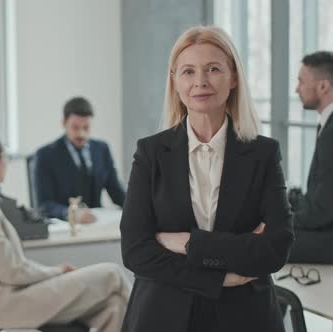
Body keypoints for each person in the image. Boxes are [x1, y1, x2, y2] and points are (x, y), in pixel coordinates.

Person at [119, 26, 294, 332]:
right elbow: (135, 251)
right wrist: (221, 276)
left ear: (234, 77)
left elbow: (275, 249)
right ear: (175, 81)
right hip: (163, 315)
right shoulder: (150, 153)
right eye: (188, 71)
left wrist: (189, 243)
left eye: (213, 69)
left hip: (245, 317)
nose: (200, 81)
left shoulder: (263, 154)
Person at [0, 130, 130, 331]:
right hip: (11, 304)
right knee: (112, 274)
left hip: (17, 296)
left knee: (114, 307)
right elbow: (12, 271)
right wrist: (57, 271)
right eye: (5, 157)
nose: (7, 163)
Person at [288, 51, 333, 264]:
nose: (297, 89)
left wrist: (282, 221)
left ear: (323, 86)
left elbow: (322, 213)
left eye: (301, 81)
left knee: (264, 240)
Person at [34, 97, 126, 222]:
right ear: (64, 123)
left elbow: (116, 190)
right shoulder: (45, 155)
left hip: (95, 222)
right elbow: (44, 204)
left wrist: (139, 207)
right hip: (64, 224)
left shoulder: (102, 149)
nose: (81, 134)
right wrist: (71, 213)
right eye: (75, 127)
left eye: (86, 128)